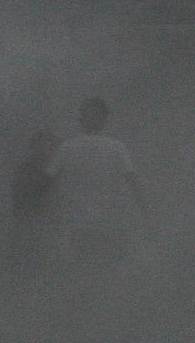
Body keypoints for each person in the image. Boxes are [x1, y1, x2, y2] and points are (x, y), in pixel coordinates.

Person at [46, 98, 143, 265]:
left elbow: (48, 181)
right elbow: (133, 182)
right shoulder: (117, 147)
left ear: (81, 120)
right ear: (104, 121)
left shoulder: (66, 147)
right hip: (107, 223)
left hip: (83, 223)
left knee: (84, 270)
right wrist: (145, 211)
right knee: (108, 272)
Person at [8, 128, 59, 259]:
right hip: (28, 220)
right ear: (33, 147)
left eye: (49, 146)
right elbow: (18, 194)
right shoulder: (24, 168)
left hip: (52, 223)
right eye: (41, 145)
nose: (45, 150)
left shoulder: (59, 168)